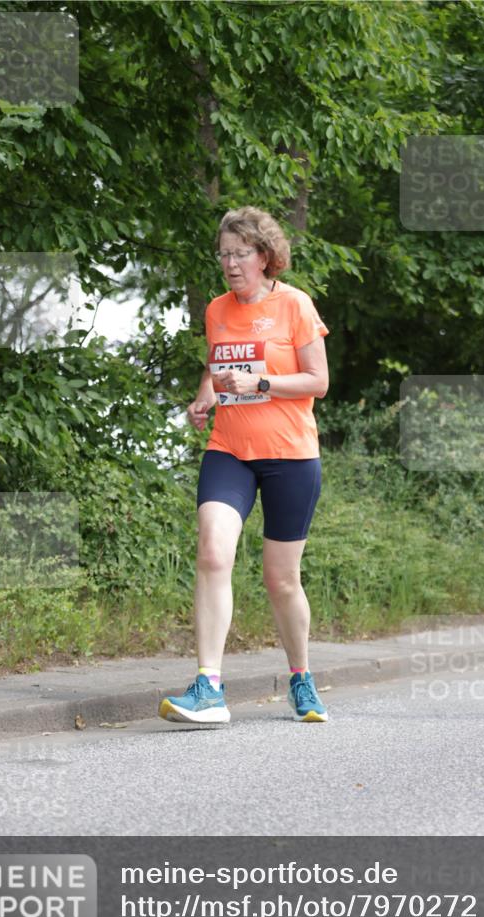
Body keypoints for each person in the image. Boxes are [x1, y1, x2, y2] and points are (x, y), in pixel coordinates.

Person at [159, 206, 330, 725]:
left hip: (290, 455)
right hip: (230, 449)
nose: (230, 264)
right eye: (224, 254)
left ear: (264, 256)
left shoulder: (295, 305)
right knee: (213, 551)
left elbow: (318, 381)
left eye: (240, 254)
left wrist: (261, 384)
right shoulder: (216, 309)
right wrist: (204, 398)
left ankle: (301, 677)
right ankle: (209, 686)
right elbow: (217, 368)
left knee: (281, 579)